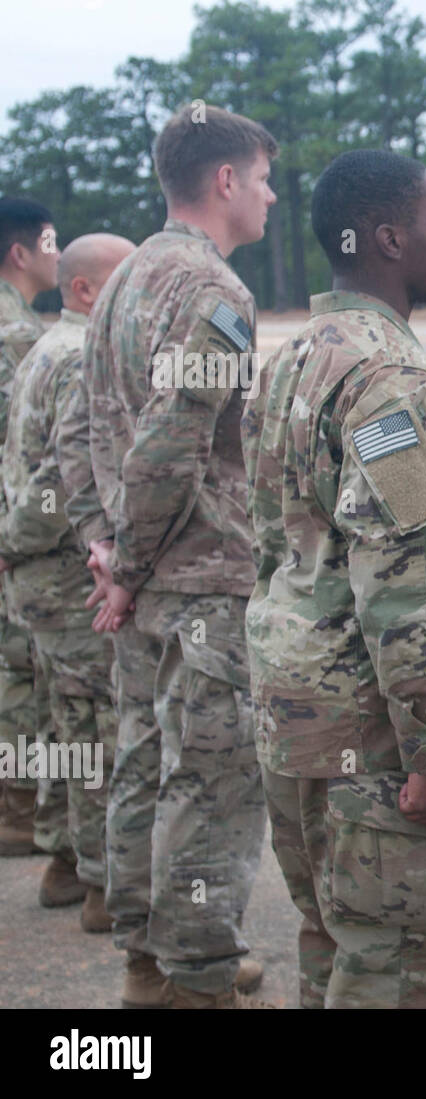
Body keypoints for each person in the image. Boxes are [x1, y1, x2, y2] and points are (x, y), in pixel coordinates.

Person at [242, 149, 426, 1009]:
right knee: (399, 965)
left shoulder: (294, 356)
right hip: (375, 739)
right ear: (390, 238)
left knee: (334, 943)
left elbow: (275, 537)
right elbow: (401, 579)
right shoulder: (392, 378)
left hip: (297, 713)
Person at [71, 105, 277, 1009]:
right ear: (225, 181)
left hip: (148, 577)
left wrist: (106, 543)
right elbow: (171, 442)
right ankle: (194, 980)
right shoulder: (213, 291)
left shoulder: (122, 281)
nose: (271, 195)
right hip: (195, 580)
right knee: (211, 785)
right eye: (264, 177)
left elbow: (86, 434)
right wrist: (129, 564)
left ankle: (150, 958)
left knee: (146, 766)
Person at [0, 234, 133, 928]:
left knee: (67, 725)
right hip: (62, 576)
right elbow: (58, 483)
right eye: (125, 279)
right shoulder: (81, 355)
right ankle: (103, 886)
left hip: (39, 579)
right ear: (84, 291)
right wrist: (11, 542)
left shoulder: (48, 346)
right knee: (99, 738)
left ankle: (63, 860)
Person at [0, 197, 58, 857]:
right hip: (15, 524)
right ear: (21, 252)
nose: (55, 251)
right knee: (20, 672)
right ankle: (17, 806)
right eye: (49, 242)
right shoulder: (16, 335)